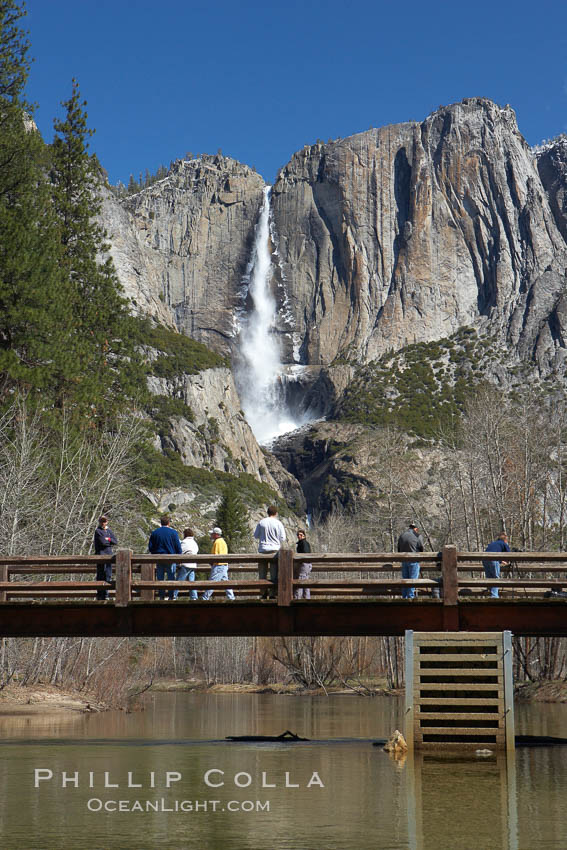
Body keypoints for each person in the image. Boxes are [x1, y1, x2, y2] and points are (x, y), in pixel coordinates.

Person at [253, 505, 286, 599]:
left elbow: (256, 536)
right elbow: (283, 538)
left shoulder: (262, 522)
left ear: (267, 512)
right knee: (274, 574)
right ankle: (272, 594)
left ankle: (263, 593)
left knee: (262, 574)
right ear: (276, 513)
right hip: (274, 551)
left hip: (263, 550)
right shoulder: (278, 523)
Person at [148, 515, 182, 600]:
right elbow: (178, 547)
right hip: (170, 558)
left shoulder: (155, 532)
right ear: (169, 523)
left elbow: (151, 547)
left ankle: (161, 596)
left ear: (161, 523)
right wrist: (179, 556)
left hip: (159, 557)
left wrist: (155, 553)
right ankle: (171, 596)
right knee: (171, 577)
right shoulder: (173, 533)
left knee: (160, 578)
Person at [201, 527, 234, 600]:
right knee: (226, 583)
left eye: (212, 534)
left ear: (216, 534)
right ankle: (231, 598)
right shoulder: (223, 541)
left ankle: (205, 598)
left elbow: (215, 555)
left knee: (212, 583)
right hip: (224, 564)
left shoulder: (217, 542)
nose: (211, 535)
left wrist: (212, 562)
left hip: (218, 565)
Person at [397, 523, 424, 600]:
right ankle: (411, 597)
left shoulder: (402, 535)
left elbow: (398, 548)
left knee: (405, 579)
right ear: (415, 528)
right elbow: (421, 548)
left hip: (404, 560)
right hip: (414, 560)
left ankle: (404, 597)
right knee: (413, 580)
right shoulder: (418, 536)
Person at [93, 516, 117, 600]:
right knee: (101, 574)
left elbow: (115, 541)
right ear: (99, 522)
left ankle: (106, 594)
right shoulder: (98, 531)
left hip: (109, 556)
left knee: (108, 574)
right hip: (100, 555)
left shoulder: (109, 531)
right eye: (102, 521)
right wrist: (109, 541)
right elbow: (103, 542)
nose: (103, 523)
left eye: (104, 521)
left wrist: (108, 539)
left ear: (107, 522)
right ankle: (100, 595)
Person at [482, 532, 511, 598]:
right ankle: (494, 596)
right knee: (495, 577)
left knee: (489, 577)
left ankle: (489, 593)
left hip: (484, 559)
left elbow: (492, 551)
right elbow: (509, 554)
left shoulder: (493, 543)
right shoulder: (503, 543)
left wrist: (500, 561)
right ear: (505, 540)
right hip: (493, 559)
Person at [179, 528, 199, 600]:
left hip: (186, 564)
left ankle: (173, 596)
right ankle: (194, 597)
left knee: (179, 581)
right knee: (192, 582)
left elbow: (180, 551)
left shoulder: (184, 542)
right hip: (193, 564)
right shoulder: (194, 542)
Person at [294, 529, 312, 599]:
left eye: (301, 535)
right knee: (305, 582)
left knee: (300, 581)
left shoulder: (303, 543)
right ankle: (307, 598)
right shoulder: (305, 543)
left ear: (304, 535)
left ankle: (298, 599)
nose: (299, 536)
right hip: (308, 564)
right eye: (298, 535)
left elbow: (305, 553)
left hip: (303, 564)